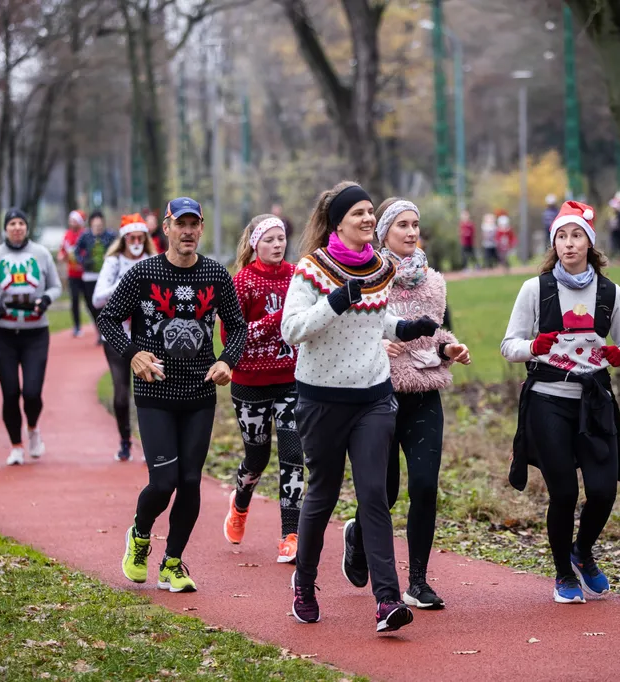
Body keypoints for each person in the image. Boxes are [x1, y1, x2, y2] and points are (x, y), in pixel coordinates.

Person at [281, 181, 439, 633]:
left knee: (374, 495)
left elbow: (375, 317)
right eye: (359, 214)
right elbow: (293, 329)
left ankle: (387, 600)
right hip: (321, 399)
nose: (369, 220)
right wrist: (335, 299)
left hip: (373, 396)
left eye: (371, 212)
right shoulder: (311, 269)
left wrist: (405, 327)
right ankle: (305, 585)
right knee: (322, 495)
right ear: (338, 223)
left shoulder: (379, 268)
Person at [99, 197, 247, 594]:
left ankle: (173, 563)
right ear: (165, 228)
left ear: (201, 229)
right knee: (163, 482)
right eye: (180, 224)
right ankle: (141, 534)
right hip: (155, 391)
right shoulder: (142, 273)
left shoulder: (216, 275)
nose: (187, 231)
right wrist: (132, 354)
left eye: (193, 224)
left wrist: (226, 361)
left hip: (198, 393)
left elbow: (238, 325)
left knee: (191, 481)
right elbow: (108, 319)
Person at [501, 200, 620, 605]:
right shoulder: (535, 289)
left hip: (594, 401)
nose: (568, 243)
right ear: (554, 243)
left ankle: (583, 550)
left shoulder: (611, 293)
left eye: (576, 235)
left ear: (590, 243)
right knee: (563, 494)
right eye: (561, 236)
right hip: (548, 401)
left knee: (603, 491)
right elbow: (509, 346)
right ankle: (563, 572)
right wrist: (534, 346)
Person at [340, 198, 471, 610]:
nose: (412, 232)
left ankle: (417, 581)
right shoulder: (367, 277)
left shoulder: (434, 282)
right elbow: (348, 329)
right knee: (387, 492)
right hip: (378, 395)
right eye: (402, 225)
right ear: (384, 234)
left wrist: (451, 347)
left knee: (426, 486)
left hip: (425, 392)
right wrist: (376, 342)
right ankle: (356, 537)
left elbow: (437, 335)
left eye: (415, 225)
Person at [221, 213, 304, 564]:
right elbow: (233, 338)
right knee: (257, 457)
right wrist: (279, 319)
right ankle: (240, 504)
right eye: (269, 240)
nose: (277, 245)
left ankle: (290, 534)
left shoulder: (297, 277)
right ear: (256, 244)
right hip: (250, 382)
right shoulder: (242, 282)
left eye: (281, 239)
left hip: (290, 379)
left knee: (293, 456)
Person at [0, 208, 62, 466]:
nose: (16, 227)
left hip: (35, 333)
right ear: (5, 228)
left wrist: (46, 298)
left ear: (27, 227)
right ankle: (15, 446)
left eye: (20, 223)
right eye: (11, 223)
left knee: (32, 392)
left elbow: (56, 286)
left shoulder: (42, 254)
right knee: (10, 391)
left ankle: (33, 428)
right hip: (3, 334)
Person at [91, 213, 156, 462]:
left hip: (148, 338)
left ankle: (150, 444)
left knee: (150, 395)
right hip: (117, 338)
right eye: (132, 237)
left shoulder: (153, 261)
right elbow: (98, 298)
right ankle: (125, 441)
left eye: (141, 237)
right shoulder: (113, 262)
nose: (137, 241)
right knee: (121, 394)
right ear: (124, 239)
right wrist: (124, 284)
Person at [76, 210, 117, 338]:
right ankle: (99, 328)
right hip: (89, 275)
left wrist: (110, 256)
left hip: (107, 275)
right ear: (91, 225)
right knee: (91, 303)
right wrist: (83, 261)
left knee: (106, 303)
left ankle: (107, 329)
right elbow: (76, 251)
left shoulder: (110, 236)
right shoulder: (85, 236)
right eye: (95, 226)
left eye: (100, 226)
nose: (98, 229)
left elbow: (119, 248)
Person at [58, 209, 86, 337]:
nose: (71, 223)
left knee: (90, 301)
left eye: (74, 220)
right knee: (74, 300)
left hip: (86, 275)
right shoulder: (67, 235)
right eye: (70, 220)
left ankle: (100, 327)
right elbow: (62, 251)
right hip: (72, 274)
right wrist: (61, 256)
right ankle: (77, 326)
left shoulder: (85, 235)